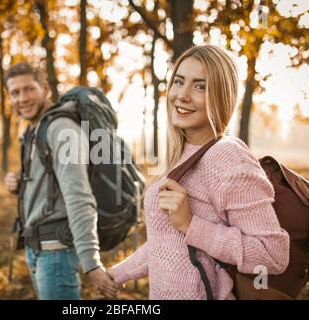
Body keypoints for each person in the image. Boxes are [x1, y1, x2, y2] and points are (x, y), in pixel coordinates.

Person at [107, 45, 290, 300]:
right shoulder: (181, 153)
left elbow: (271, 255)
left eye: (200, 86)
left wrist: (192, 224)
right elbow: (168, 244)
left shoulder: (228, 157)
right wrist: (118, 274)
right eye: (179, 82)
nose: (182, 95)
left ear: (221, 96)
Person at [4, 62, 120, 299]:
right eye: (15, 92)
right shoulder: (36, 130)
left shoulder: (61, 129)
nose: (22, 98)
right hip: (37, 250)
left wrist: (91, 263)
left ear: (45, 88)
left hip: (56, 255)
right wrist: (19, 185)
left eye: (29, 89)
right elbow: (50, 185)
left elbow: (79, 196)